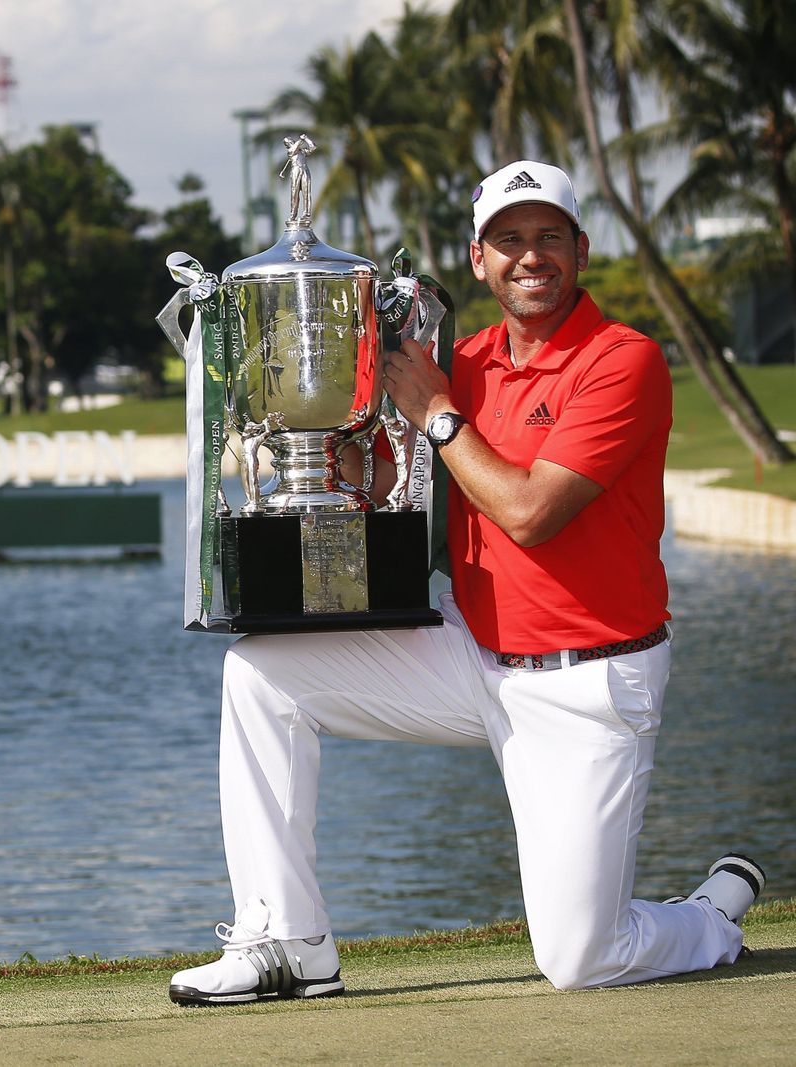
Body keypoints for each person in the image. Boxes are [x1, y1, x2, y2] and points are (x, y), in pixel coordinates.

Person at [168, 159, 767, 1006]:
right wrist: (342, 462)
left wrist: (439, 418)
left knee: (581, 957)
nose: (531, 257)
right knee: (262, 674)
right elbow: (395, 486)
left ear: (580, 251)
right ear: (478, 260)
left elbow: (529, 512)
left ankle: (709, 916)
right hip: (470, 650)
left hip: (588, 681)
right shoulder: (463, 360)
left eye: (549, 237)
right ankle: (288, 941)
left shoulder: (622, 360)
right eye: (509, 240)